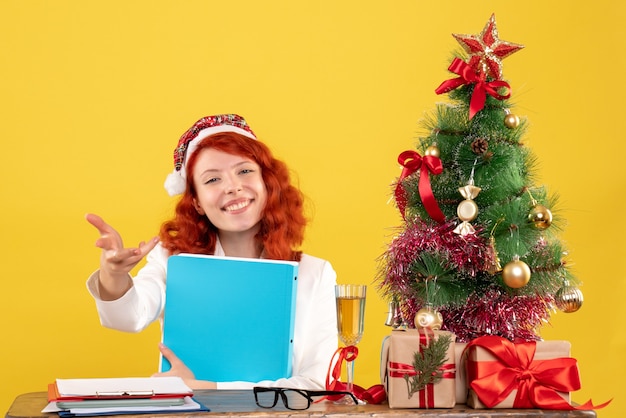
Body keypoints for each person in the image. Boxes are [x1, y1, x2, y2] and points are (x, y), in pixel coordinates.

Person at [85, 114, 338, 390]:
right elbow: (130, 316)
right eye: (212, 179)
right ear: (197, 203)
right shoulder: (173, 261)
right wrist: (113, 274)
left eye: (244, 171)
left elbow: (316, 383)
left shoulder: (315, 274)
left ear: (267, 182)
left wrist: (210, 388)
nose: (232, 186)